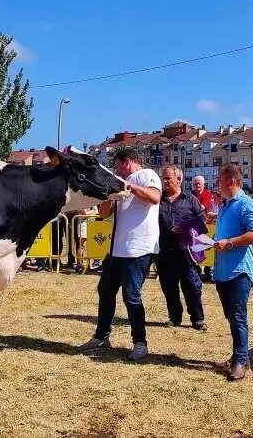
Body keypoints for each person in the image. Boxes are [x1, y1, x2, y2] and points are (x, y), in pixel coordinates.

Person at [80, 148, 162, 361]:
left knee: (131, 296)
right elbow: (103, 214)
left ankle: (140, 342)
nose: (116, 171)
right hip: (116, 250)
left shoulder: (147, 175)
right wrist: (109, 195)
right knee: (105, 291)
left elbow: (154, 197)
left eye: (117, 166)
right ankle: (101, 336)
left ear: (128, 162)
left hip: (138, 249)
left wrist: (131, 187)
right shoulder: (119, 182)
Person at [210, 163, 253, 381]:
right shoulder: (224, 206)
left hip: (239, 271)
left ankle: (240, 361)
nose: (217, 184)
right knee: (232, 316)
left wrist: (229, 243)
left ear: (230, 181)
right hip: (223, 271)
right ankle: (238, 357)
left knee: (238, 317)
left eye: (219, 180)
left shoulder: (246, 204)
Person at [155, 164, 208, 330]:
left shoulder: (190, 199)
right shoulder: (158, 200)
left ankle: (197, 319)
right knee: (169, 287)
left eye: (167, 178)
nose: (164, 181)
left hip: (185, 252)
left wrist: (184, 228)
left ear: (179, 179)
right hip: (163, 251)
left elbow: (202, 222)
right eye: (163, 178)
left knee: (191, 286)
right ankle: (175, 317)